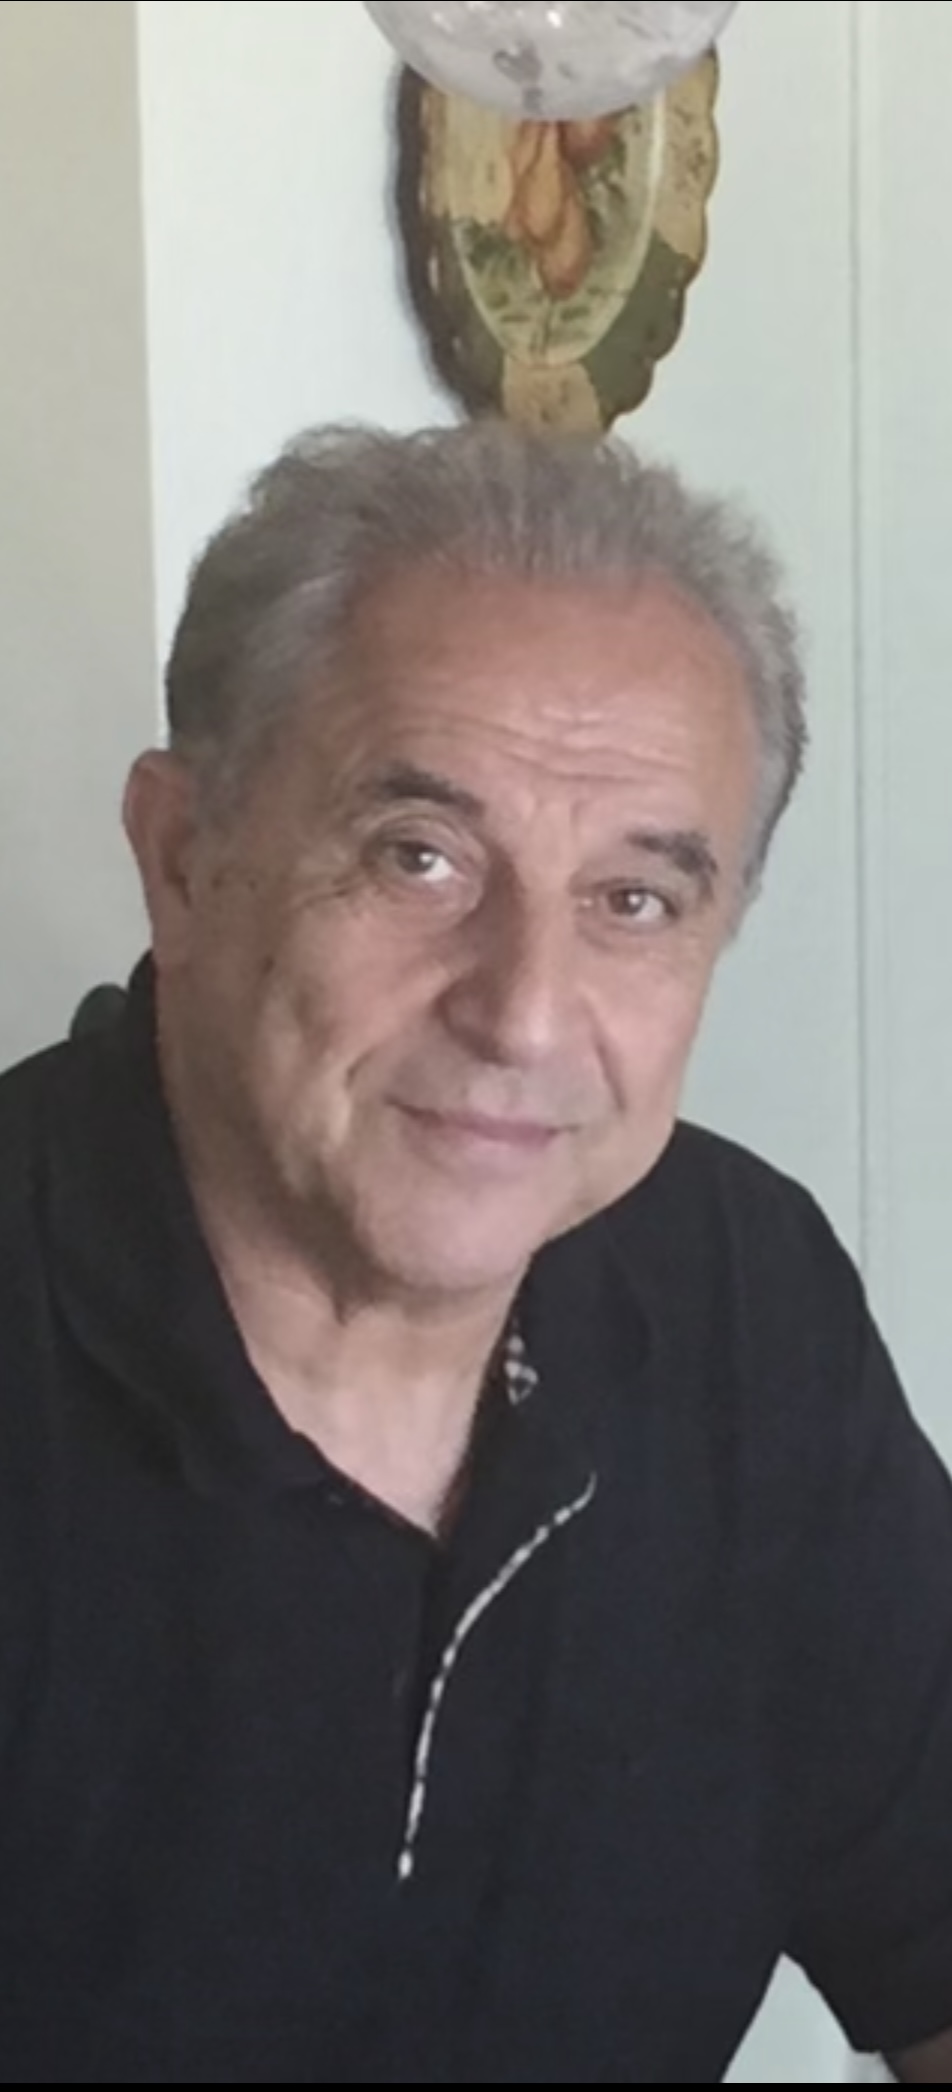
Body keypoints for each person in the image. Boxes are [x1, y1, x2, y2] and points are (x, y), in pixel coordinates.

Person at [1, 420, 950, 2086]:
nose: (523, 1014)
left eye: (635, 901)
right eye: (417, 858)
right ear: (183, 859)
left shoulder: (742, 1294)